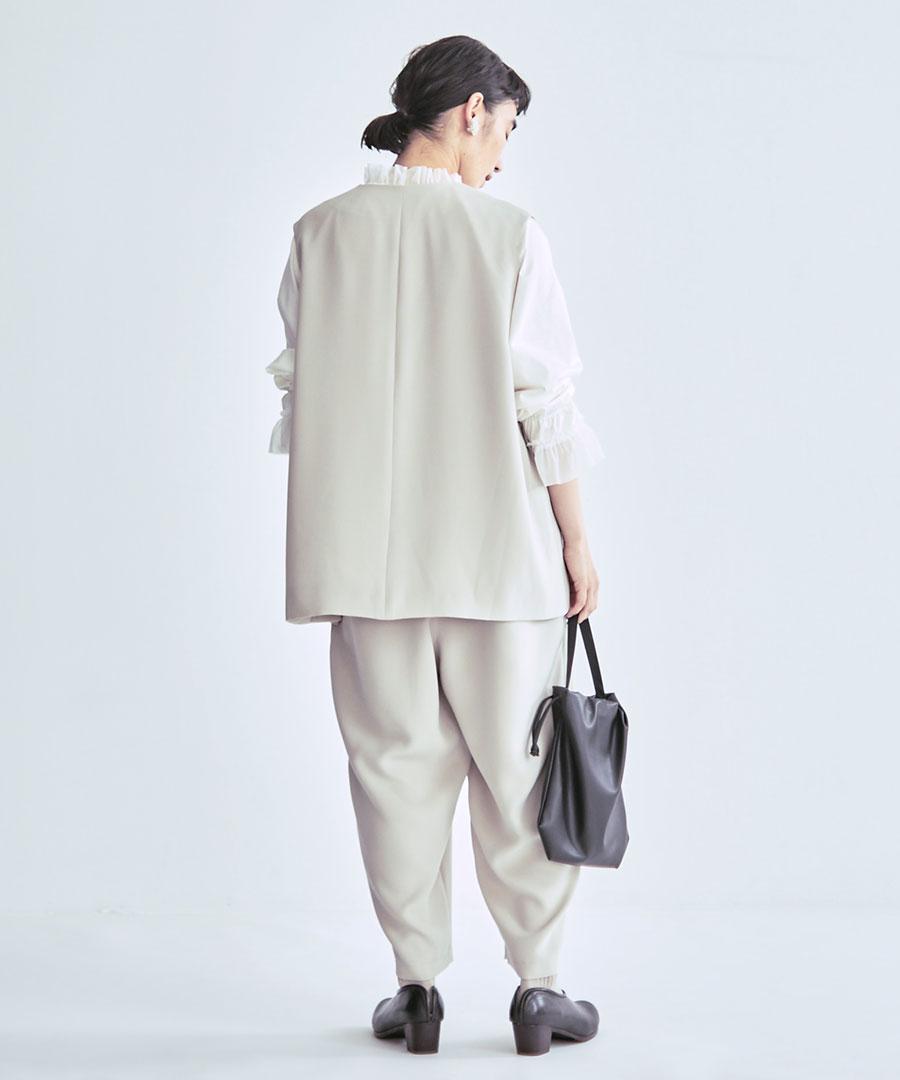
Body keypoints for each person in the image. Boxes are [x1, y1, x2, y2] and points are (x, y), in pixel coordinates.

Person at [265, 34, 604, 1056]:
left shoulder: (319, 234)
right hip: (501, 560)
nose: (500, 156)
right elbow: (546, 406)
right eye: (504, 128)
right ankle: (539, 991)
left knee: (394, 775)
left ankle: (416, 991)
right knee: (522, 773)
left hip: (367, 565)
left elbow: (303, 396)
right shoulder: (510, 236)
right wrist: (577, 542)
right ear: (470, 112)